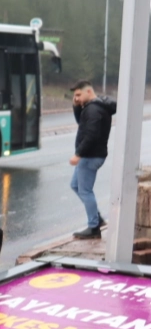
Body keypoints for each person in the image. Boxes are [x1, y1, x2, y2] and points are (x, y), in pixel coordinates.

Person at [69, 80, 117, 239]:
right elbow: (81, 124)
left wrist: (78, 154)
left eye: (78, 95)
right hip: (93, 154)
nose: (76, 98)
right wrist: (76, 106)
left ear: (88, 92)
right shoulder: (94, 107)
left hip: (90, 156)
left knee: (85, 190)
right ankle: (97, 218)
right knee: (75, 185)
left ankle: (93, 227)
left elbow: (92, 135)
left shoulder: (93, 110)